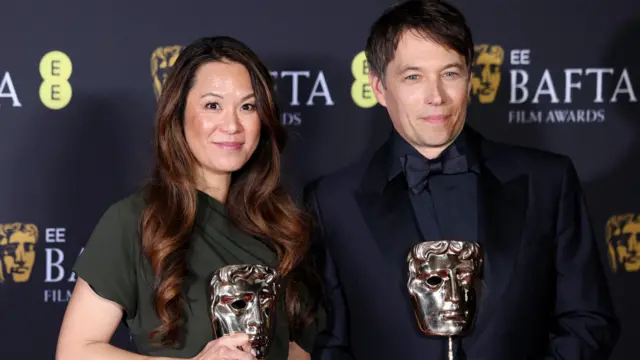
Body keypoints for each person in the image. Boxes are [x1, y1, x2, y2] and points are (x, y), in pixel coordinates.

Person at [306, 1, 620, 359]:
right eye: (413, 77)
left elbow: (588, 320)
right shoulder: (332, 201)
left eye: (450, 74)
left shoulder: (547, 180)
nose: (436, 97)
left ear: (469, 80)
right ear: (379, 88)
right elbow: (330, 343)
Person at [56, 36, 322, 360]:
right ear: (178, 114)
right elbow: (75, 351)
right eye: (213, 105)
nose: (232, 124)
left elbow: (295, 350)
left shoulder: (283, 225)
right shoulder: (134, 221)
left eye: (248, 106)